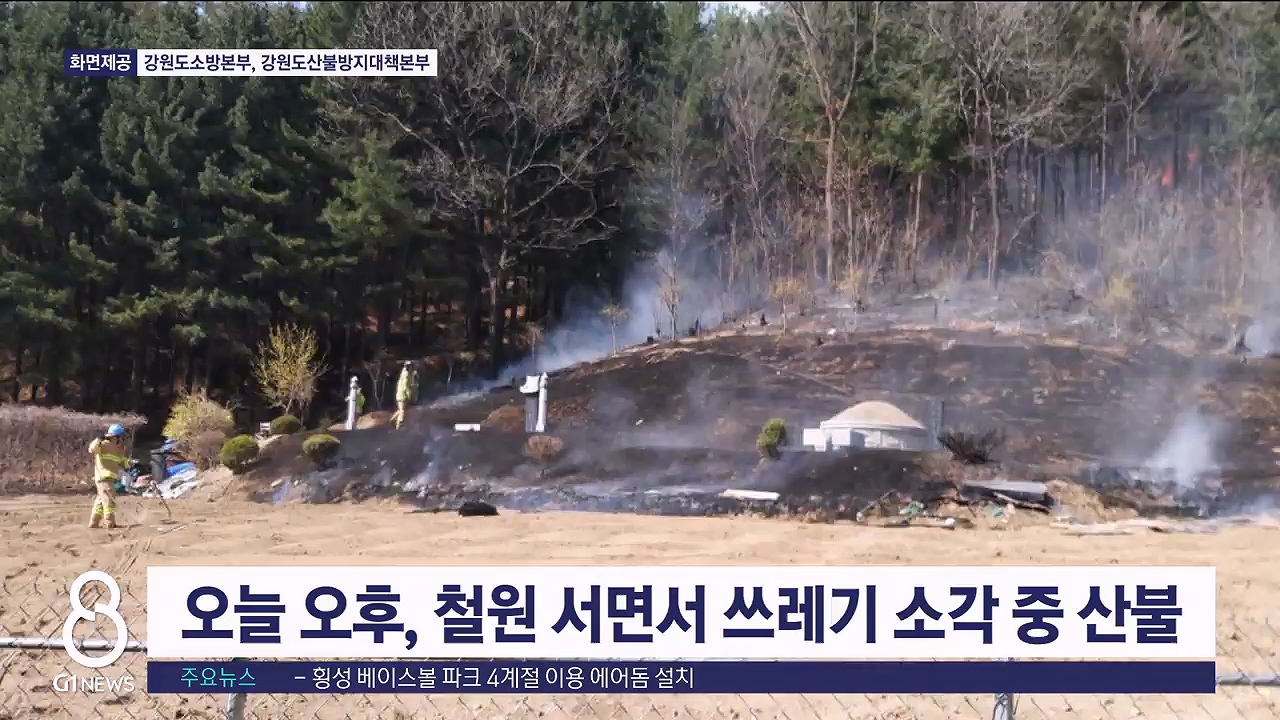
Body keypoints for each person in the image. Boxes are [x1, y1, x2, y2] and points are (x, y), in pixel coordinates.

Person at [88, 424, 130, 529]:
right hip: (104, 478)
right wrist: (98, 439)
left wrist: (130, 463)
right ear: (116, 437)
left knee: (101, 500)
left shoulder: (117, 449)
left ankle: (94, 522)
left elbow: (121, 461)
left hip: (107, 478)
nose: (122, 439)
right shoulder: (103, 445)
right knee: (109, 501)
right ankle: (110, 523)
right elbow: (91, 449)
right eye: (121, 437)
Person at [392, 361, 413, 429]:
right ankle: (398, 426)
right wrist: (409, 394)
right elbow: (405, 387)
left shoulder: (403, 373)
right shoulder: (406, 375)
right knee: (402, 410)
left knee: (400, 409)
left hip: (400, 394)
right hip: (402, 395)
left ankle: (392, 419)